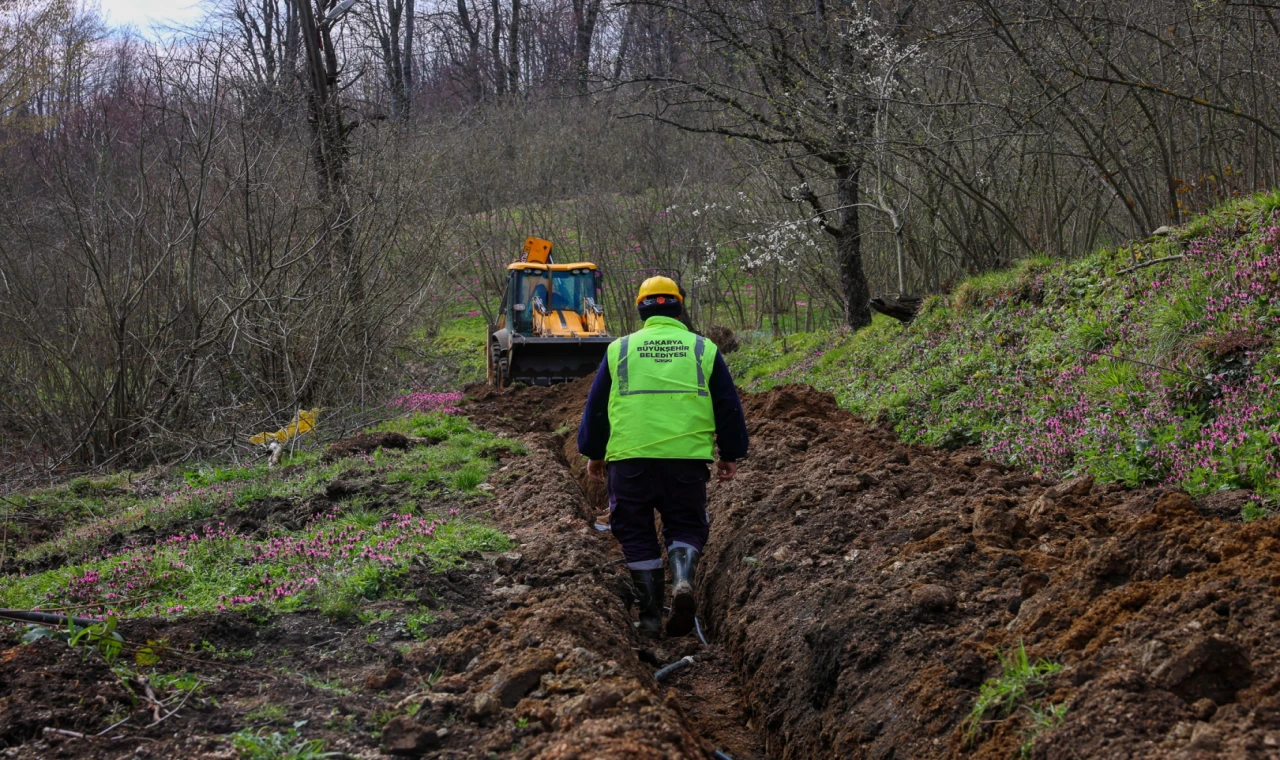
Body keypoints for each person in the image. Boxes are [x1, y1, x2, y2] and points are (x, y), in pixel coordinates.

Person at [577, 276, 749, 638]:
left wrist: (595, 453)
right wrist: (730, 453)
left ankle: (651, 616)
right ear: (679, 307)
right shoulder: (703, 348)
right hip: (685, 461)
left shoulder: (620, 349)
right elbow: (728, 406)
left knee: (636, 533)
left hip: (629, 461)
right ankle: (683, 579)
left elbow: (596, 409)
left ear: (640, 308)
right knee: (685, 525)